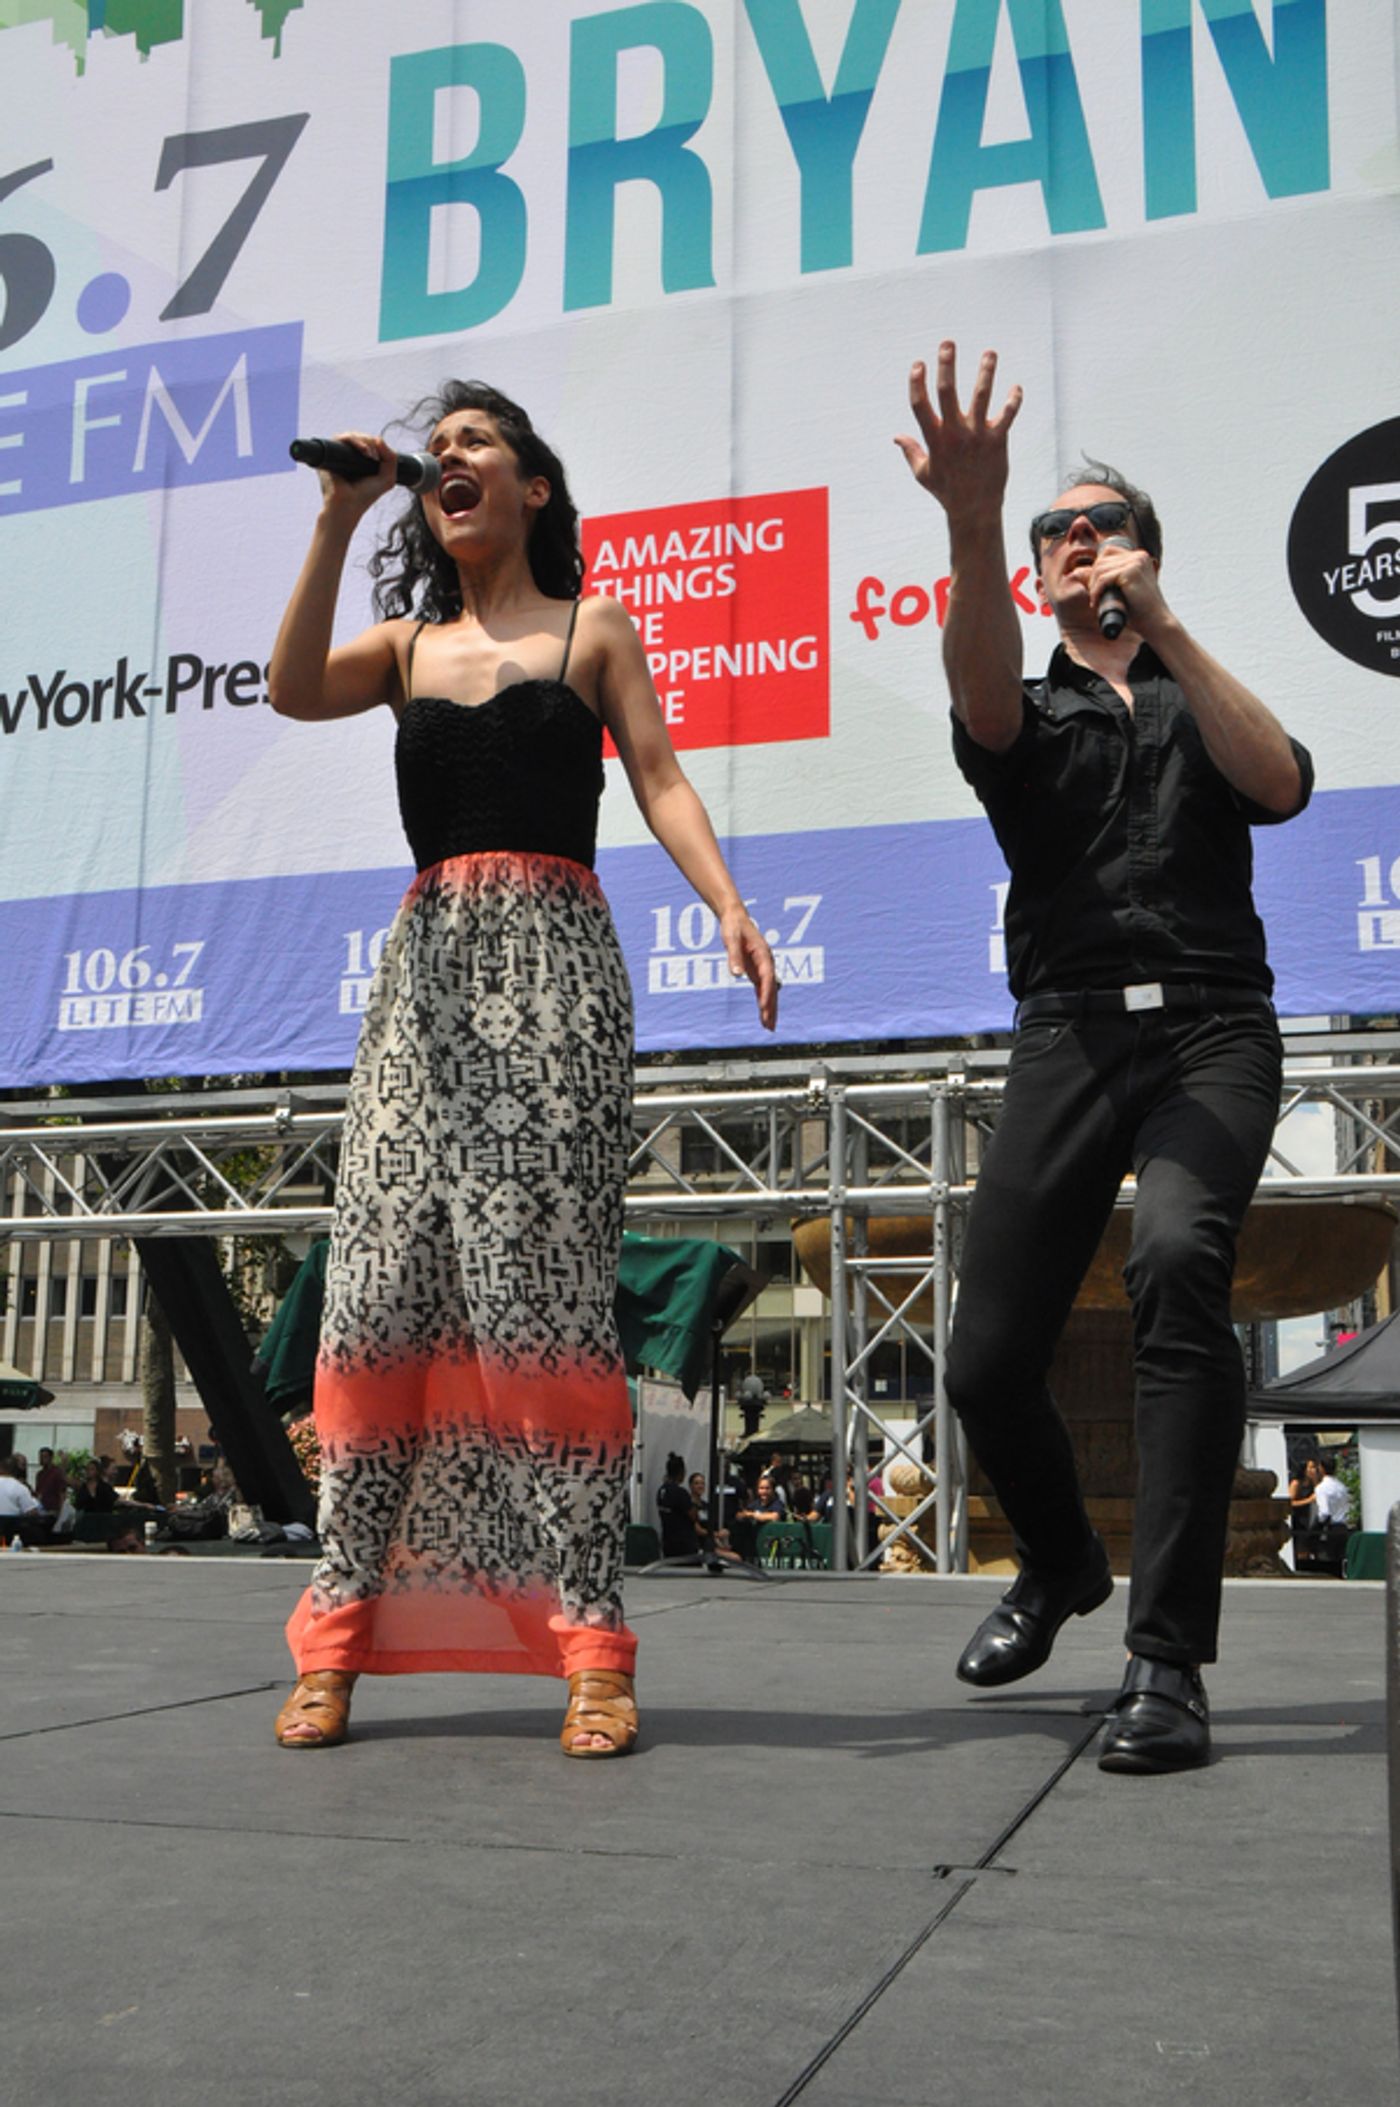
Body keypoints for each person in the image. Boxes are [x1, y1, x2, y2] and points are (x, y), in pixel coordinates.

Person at [268, 381, 777, 1758]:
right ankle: (334, 1643)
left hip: (555, 980)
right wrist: (335, 518)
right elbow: (291, 689)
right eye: (436, 451)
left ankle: (593, 1648)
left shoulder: (591, 628)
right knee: (375, 1302)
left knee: (537, 1311)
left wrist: (727, 902)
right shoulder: (406, 644)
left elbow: (658, 775)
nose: (449, 459)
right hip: (423, 988)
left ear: (530, 484)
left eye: (474, 444)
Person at [897, 342, 1311, 1773]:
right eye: (1052, 532)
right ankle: (1061, 1559)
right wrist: (972, 520)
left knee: (1180, 1260)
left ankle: (1166, 1661)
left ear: (1144, 553)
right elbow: (979, 698)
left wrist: (1170, 629)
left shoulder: (1200, 693)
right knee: (985, 1360)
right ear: (1035, 576)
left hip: (1212, 1027)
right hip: (1069, 1031)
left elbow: (1281, 783)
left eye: (1102, 524)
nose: (1077, 541)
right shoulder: (1023, 708)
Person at [656, 1452, 701, 1559]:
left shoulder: (661, 1491)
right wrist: (695, 1501)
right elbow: (693, 1516)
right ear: (681, 1472)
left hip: (668, 1543)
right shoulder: (680, 1493)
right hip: (684, 1546)